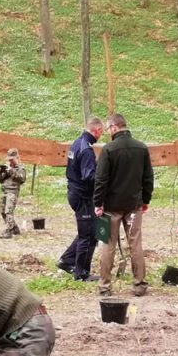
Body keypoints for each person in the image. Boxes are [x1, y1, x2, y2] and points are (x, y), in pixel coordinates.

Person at [93, 114, 154, 297]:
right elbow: (148, 177)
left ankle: (104, 286)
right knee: (135, 243)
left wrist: (98, 203)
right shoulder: (141, 148)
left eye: (108, 129)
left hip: (111, 206)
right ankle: (140, 285)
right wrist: (146, 200)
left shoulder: (108, 150)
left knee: (108, 244)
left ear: (113, 127)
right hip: (134, 205)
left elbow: (101, 179)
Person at [58, 118, 104, 282]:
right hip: (83, 196)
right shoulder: (86, 149)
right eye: (101, 132)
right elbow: (88, 176)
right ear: (96, 130)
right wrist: (103, 179)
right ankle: (81, 273)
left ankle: (66, 260)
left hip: (75, 192)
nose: (101, 135)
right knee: (89, 235)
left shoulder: (77, 143)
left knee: (87, 231)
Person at [0, 148, 26, 239]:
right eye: (9, 159)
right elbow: (0, 180)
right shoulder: (7, 167)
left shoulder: (21, 168)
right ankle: (14, 228)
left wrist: (11, 171)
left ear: (17, 157)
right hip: (4, 190)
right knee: (2, 211)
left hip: (12, 192)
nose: (10, 161)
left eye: (12, 159)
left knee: (8, 211)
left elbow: (22, 179)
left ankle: (9, 230)